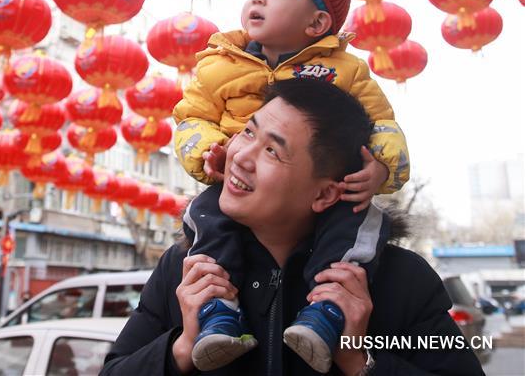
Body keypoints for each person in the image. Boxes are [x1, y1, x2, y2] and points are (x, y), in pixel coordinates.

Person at [101, 80, 484, 376]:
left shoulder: (399, 280)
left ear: (325, 193)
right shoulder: (186, 267)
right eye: (249, 133)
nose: (241, 157)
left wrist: (360, 360)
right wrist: (182, 348)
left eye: (272, 151)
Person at [172, 0, 409, 372]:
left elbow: (382, 124)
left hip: (333, 197)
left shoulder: (346, 71)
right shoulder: (217, 65)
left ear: (317, 22)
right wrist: (207, 152)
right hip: (228, 190)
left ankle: (328, 312)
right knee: (205, 219)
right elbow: (191, 118)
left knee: (360, 217)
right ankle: (215, 314)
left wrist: (382, 167)